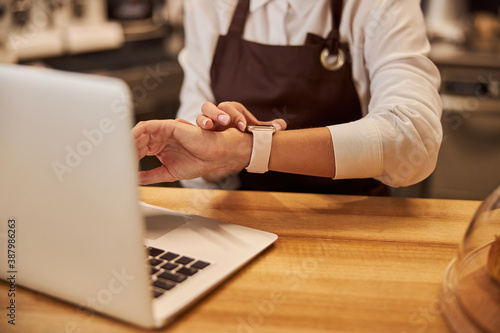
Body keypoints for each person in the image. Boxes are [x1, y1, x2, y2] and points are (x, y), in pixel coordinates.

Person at [133, 0, 443, 195]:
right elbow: (195, 108)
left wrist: (249, 148)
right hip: (241, 224)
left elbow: (413, 138)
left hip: (353, 218)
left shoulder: (379, 6)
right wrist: (213, 161)